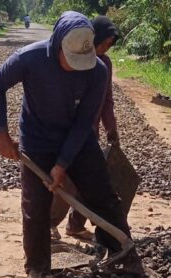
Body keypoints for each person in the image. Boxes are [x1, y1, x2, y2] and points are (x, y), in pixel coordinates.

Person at [0, 11, 140, 278]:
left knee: (103, 194)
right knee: (35, 205)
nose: (77, 67)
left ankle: (122, 253)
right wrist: (2, 134)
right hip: (37, 140)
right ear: (57, 45)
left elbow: (84, 123)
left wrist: (62, 164)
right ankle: (37, 267)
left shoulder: (98, 71)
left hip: (78, 139)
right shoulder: (29, 59)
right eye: (70, 60)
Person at [49, 15, 120, 241]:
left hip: (90, 133)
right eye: (103, 43)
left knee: (89, 182)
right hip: (71, 132)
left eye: (109, 45)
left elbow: (107, 100)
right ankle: (49, 224)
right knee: (67, 183)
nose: (105, 48)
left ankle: (76, 225)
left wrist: (111, 128)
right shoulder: (76, 60)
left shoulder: (105, 65)